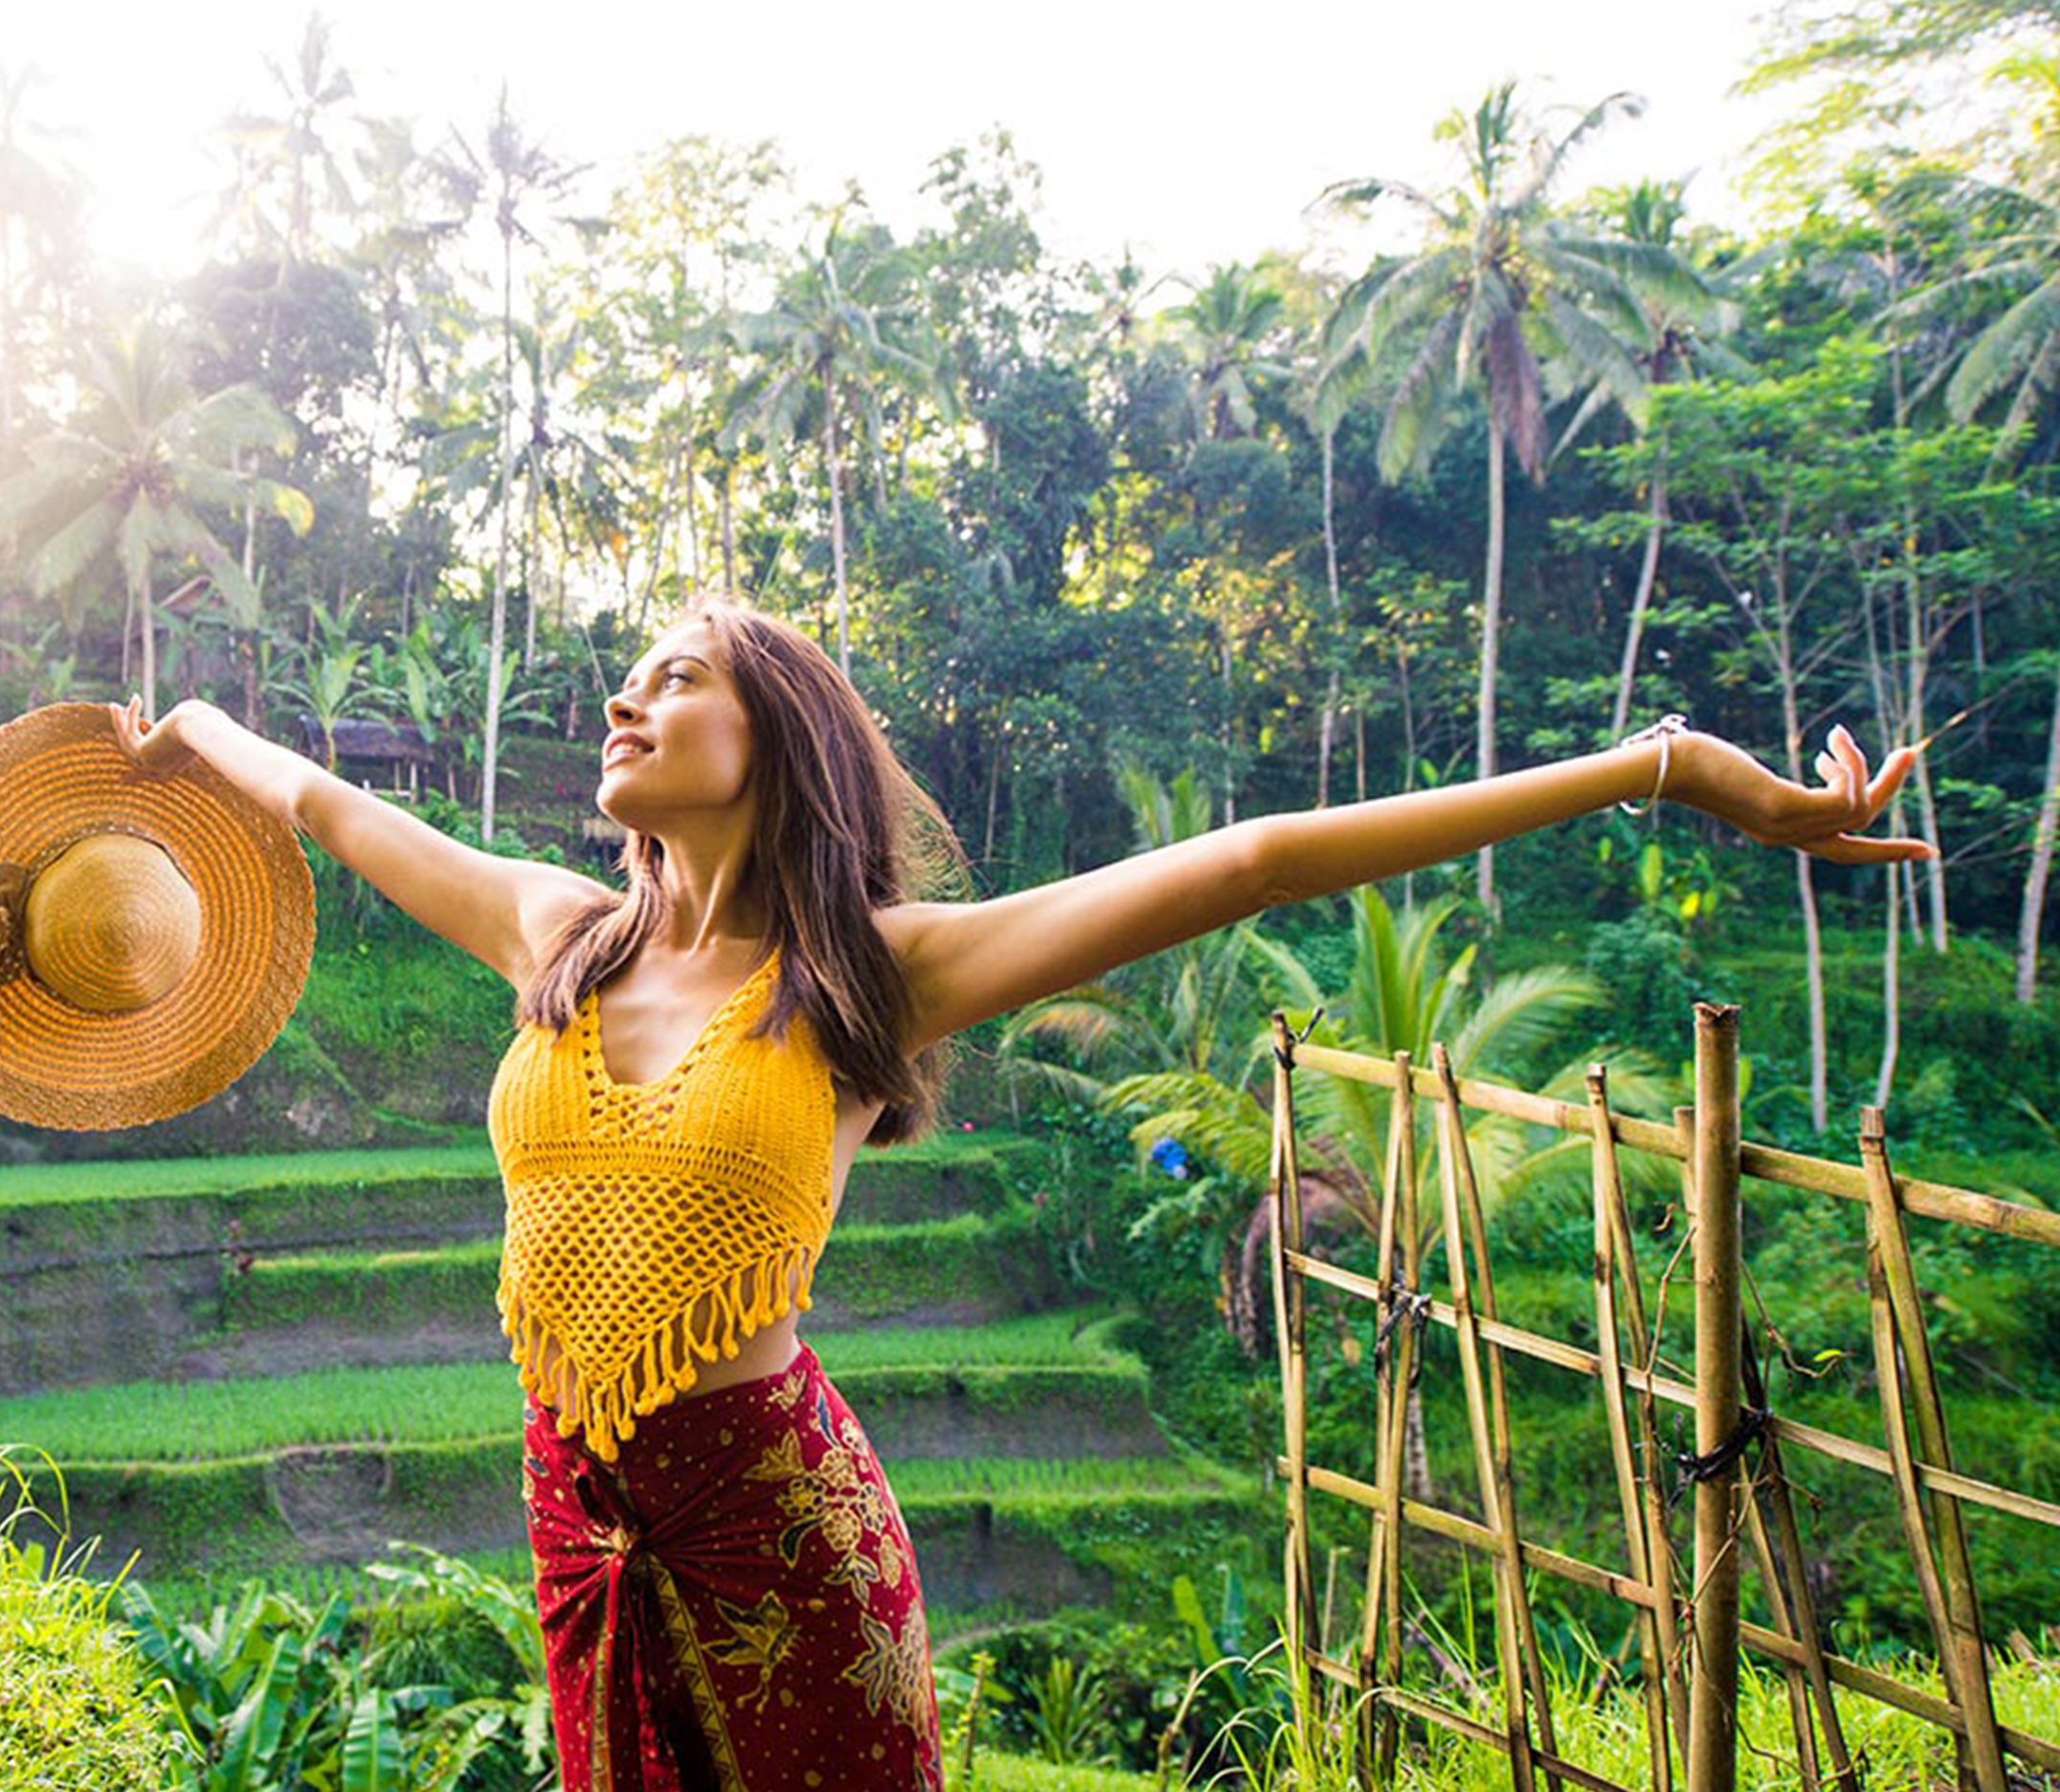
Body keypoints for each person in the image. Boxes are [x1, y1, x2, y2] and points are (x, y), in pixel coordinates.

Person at [114, 592, 1926, 1792]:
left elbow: (1253, 862)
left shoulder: (870, 973)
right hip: (580, 1514)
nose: (625, 698)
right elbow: (334, 809)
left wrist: (1670, 768)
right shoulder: (557, 933)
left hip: (779, 1534)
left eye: (677, 677)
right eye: (632, 676)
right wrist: (190, 722)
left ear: (778, 736)